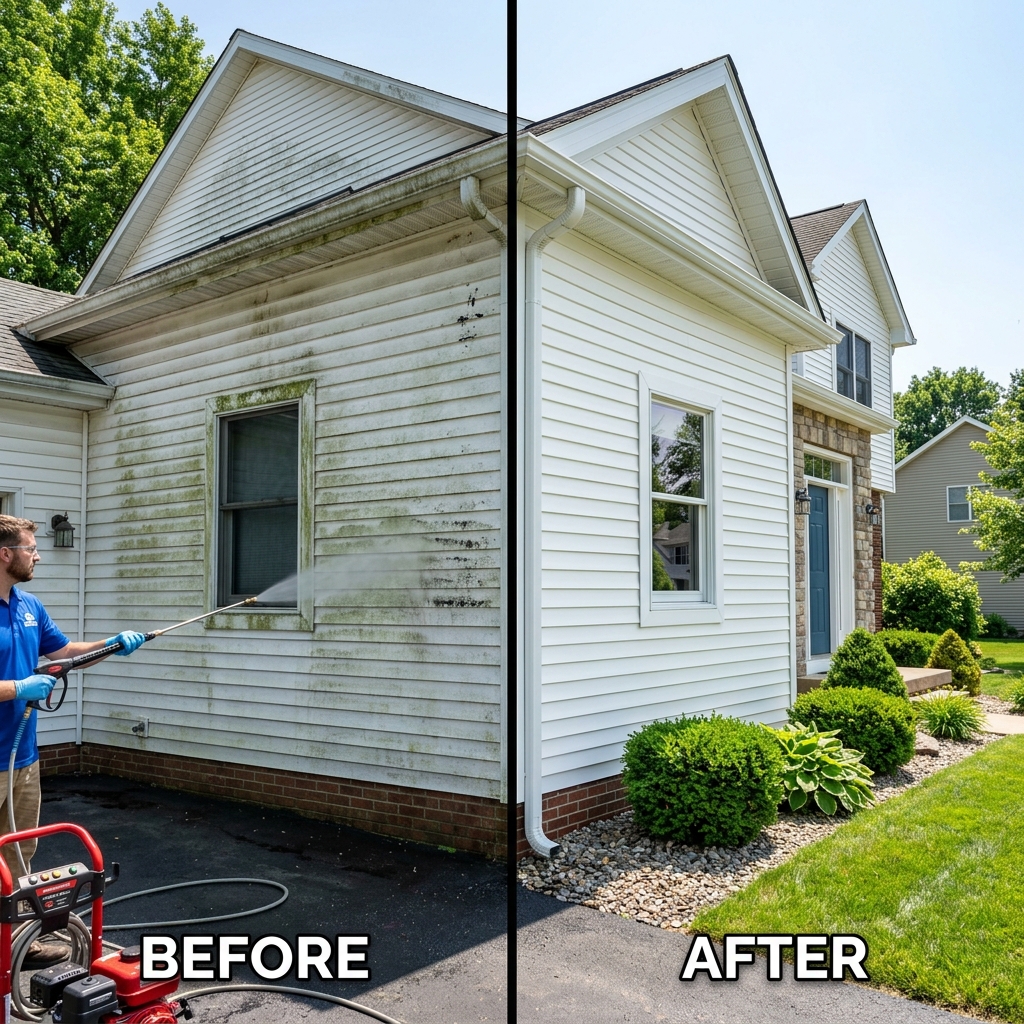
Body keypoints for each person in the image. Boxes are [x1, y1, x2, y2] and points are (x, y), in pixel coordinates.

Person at [0, 514, 145, 968]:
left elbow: (63, 653)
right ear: (5, 554)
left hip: (22, 758)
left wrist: (111, 645)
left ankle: (17, 945)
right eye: (30, 548)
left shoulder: (28, 606)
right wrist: (19, 687)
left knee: (19, 853)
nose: (38, 556)